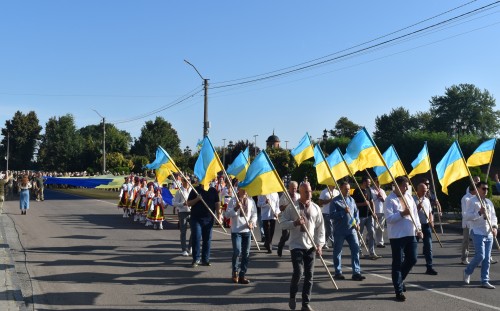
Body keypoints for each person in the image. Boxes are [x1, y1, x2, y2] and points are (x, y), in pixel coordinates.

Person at [279, 182, 325, 311]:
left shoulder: (316, 208)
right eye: (306, 192)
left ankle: (305, 304)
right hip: (296, 245)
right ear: (301, 192)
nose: (309, 194)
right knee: (299, 272)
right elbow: (282, 223)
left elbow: (321, 228)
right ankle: (292, 296)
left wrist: (320, 244)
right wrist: (295, 223)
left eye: (310, 191)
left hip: (310, 246)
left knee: (309, 275)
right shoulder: (292, 207)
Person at [384, 176, 423, 302]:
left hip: (410, 233)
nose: (406, 188)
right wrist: (401, 214)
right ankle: (398, 290)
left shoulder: (409, 197)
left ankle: (399, 280)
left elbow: (415, 215)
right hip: (397, 236)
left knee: (412, 258)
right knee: (397, 262)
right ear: (397, 186)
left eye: (407, 186)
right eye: (404, 186)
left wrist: (419, 228)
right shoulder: (389, 200)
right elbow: (389, 219)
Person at [463, 181, 498, 289]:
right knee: (480, 255)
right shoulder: (471, 201)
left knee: (487, 258)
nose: (485, 191)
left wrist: (495, 227)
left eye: (487, 189)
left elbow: (493, 217)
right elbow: (466, 216)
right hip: (477, 231)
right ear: (477, 189)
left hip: (488, 232)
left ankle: (484, 280)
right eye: (483, 188)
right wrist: (479, 213)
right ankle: (467, 271)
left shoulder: (488, 202)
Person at [330, 181, 365, 281]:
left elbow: (356, 213)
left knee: (355, 249)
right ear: (340, 189)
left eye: (349, 189)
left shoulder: (351, 200)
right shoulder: (335, 201)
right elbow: (331, 215)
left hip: (351, 230)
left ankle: (356, 272)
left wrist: (357, 222)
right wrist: (342, 212)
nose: (348, 191)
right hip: (339, 231)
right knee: (337, 251)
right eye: (345, 189)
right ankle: (338, 272)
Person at [225, 188, 257, 284]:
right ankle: (235, 272)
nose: (245, 191)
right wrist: (235, 208)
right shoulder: (233, 200)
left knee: (246, 253)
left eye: (247, 189)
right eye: (243, 189)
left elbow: (254, 214)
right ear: (239, 190)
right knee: (237, 251)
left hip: (247, 230)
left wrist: (252, 222)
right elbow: (226, 215)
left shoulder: (251, 201)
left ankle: (242, 274)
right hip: (236, 231)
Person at [187, 183, 221, 267]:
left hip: (209, 219)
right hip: (196, 219)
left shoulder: (213, 190)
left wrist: (219, 216)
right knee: (196, 237)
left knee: (207, 239)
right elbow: (188, 203)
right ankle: (196, 259)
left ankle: (205, 259)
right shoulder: (195, 190)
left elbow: (217, 204)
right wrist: (197, 199)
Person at [352, 176, 380, 259]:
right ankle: (359, 252)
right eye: (368, 182)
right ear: (364, 182)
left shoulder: (369, 190)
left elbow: (371, 202)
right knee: (359, 235)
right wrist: (363, 204)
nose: (369, 184)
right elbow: (354, 204)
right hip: (360, 216)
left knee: (372, 233)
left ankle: (372, 252)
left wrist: (374, 213)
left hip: (369, 215)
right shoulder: (357, 191)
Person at [414, 182, 437, 275]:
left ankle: (429, 266)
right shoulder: (412, 200)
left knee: (429, 247)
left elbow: (430, 212)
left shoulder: (427, 200)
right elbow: (410, 213)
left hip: (426, 225)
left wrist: (431, 220)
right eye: (423, 191)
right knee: (413, 247)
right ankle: (408, 263)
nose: (424, 192)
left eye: (425, 190)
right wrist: (417, 208)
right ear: (417, 190)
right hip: (416, 227)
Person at [277, 181, 300, 257]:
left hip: (295, 219)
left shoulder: (298, 196)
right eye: (292, 188)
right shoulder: (284, 196)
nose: (294, 190)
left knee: (294, 237)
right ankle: (280, 246)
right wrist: (288, 204)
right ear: (289, 188)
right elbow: (280, 208)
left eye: (295, 188)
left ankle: (293, 253)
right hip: (286, 218)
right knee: (286, 236)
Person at [173, 176, 192, 256]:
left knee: (194, 231)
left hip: (192, 212)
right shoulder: (179, 191)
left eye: (188, 180)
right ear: (182, 181)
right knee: (183, 231)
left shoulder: (192, 190)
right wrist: (182, 204)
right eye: (185, 180)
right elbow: (174, 203)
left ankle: (190, 247)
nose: (187, 182)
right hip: (183, 212)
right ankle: (184, 249)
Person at [318, 184, 339, 249]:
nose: (335, 184)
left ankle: (324, 243)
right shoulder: (324, 192)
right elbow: (320, 202)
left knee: (331, 229)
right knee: (330, 229)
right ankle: (334, 243)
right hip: (326, 213)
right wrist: (330, 200)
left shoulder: (337, 192)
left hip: (335, 213)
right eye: (333, 183)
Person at [460, 185, 475, 265]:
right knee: (466, 241)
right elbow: (465, 213)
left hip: (476, 223)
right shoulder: (466, 198)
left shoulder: (477, 197)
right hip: (468, 224)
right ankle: (464, 258)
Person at [370, 178, 387, 248]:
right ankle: (370, 239)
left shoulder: (382, 191)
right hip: (374, 211)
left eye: (380, 182)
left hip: (382, 211)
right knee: (374, 227)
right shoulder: (371, 190)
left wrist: (382, 198)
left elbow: (386, 201)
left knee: (381, 228)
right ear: (374, 182)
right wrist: (377, 197)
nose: (378, 184)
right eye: (377, 182)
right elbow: (370, 200)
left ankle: (380, 242)